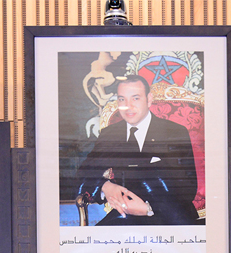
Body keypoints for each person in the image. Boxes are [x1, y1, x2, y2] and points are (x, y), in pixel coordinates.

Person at [74, 74, 200, 226]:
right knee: (95, 239)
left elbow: (187, 189)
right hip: (125, 216)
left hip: (170, 215)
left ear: (149, 99)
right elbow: (83, 173)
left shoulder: (173, 132)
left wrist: (148, 209)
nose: (128, 106)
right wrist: (105, 187)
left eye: (135, 98)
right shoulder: (110, 134)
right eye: (122, 99)